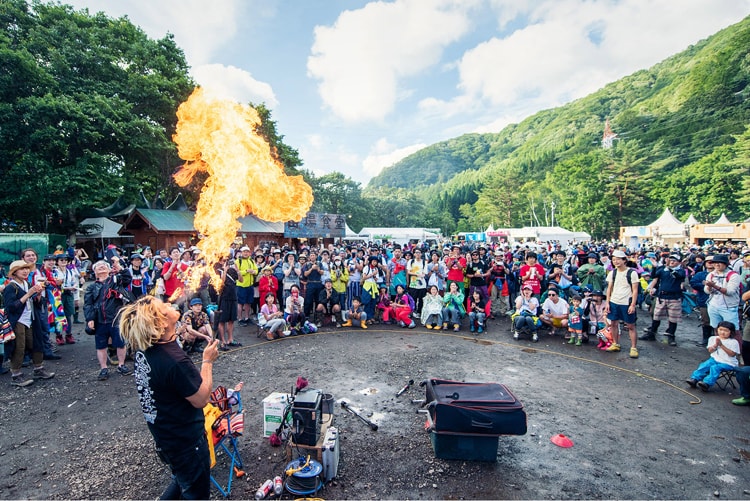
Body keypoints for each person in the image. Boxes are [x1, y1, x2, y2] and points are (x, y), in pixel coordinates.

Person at [118, 295, 220, 500]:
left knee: (182, 480)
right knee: (195, 493)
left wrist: (176, 337)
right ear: (161, 322)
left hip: (166, 438)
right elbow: (201, 399)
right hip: (186, 442)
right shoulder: (174, 360)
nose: (169, 303)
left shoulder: (144, 349)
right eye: (163, 306)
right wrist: (207, 362)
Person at [3, 260, 55, 386]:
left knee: (36, 342)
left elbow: (34, 302)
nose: (26, 271)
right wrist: (29, 293)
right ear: (14, 273)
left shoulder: (27, 283)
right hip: (18, 320)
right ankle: (16, 375)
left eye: (27, 268)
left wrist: (37, 295)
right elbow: (11, 307)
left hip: (30, 318)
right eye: (22, 269)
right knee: (19, 347)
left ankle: (38, 368)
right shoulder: (11, 287)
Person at [84, 259, 133, 380]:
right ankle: (103, 368)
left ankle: (121, 365)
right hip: (100, 320)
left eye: (104, 266)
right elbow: (88, 304)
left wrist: (118, 265)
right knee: (101, 346)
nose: (101, 267)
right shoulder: (91, 287)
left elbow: (127, 277)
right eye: (98, 266)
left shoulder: (116, 281)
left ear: (109, 269)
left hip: (116, 318)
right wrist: (90, 318)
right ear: (94, 271)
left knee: (120, 343)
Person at [640, 253, 685, 346]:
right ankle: (651, 333)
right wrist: (655, 267)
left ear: (679, 262)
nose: (671, 262)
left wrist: (669, 269)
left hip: (674, 297)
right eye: (671, 260)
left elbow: (678, 276)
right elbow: (654, 276)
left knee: (673, 318)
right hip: (662, 296)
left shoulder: (681, 271)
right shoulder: (662, 269)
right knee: (656, 316)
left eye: (674, 261)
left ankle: (671, 336)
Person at [603, 250, 640, 358]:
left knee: (630, 325)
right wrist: (608, 302)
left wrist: (633, 304)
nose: (616, 261)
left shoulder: (632, 273)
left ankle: (633, 347)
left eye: (618, 259)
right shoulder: (612, 273)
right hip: (614, 301)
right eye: (614, 259)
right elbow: (609, 288)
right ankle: (615, 343)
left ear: (624, 260)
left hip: (626, 302)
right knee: (613, 323)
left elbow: (635, 290)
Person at [686, 321, 740, 392]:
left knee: (715, 368)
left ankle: (707, 383)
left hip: (728, 363)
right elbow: (710, 350)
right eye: (720, 330)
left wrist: (721, 345)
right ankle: (694, 379)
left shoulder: (733, 342)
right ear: (717, 329)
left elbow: (732, 354)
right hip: (715, 359)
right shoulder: (713, 338)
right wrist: (715, 345)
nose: (722, 332)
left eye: (726, 331)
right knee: (704, 365)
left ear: (731, 332)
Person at [703, 254, 741, 337]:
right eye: (715, 263)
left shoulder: (733, 275)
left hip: (728, 307)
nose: (717, 265)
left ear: (726, 264)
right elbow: (706, 291)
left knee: (732, 329)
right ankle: (719, 347)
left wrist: (714, 286)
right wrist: (709, 286)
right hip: (713, 305)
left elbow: (730, 291)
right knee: (716, 328)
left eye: (720, 263)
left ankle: (736, 349)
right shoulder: (711, 274)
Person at [215, 257, 239, 350]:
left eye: (227, 261)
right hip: (224, 298)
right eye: (224, 261)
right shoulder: (218, 271)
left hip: (233, 297)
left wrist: (238, 270)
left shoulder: (233, 271)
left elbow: (240, 280)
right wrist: (224, 271)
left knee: (231, 320)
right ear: (220, 262)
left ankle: (230, 339)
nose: (226, 262)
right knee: (222, 320)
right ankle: (223, 341)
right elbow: (221, 283)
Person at [234, 245, 258, 326]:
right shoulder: (238, 261)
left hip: (250, 285)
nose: (245, 253)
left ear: (249, 253)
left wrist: (253, 272)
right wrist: (247, 271)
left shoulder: (251, 261)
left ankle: (247, 318)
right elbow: (237, 272)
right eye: (244, 252)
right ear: (241, 253)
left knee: (248, 302)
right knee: (240, 303)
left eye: (247, 252)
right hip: (241, 285)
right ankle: (240, 319)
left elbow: (256, 270)